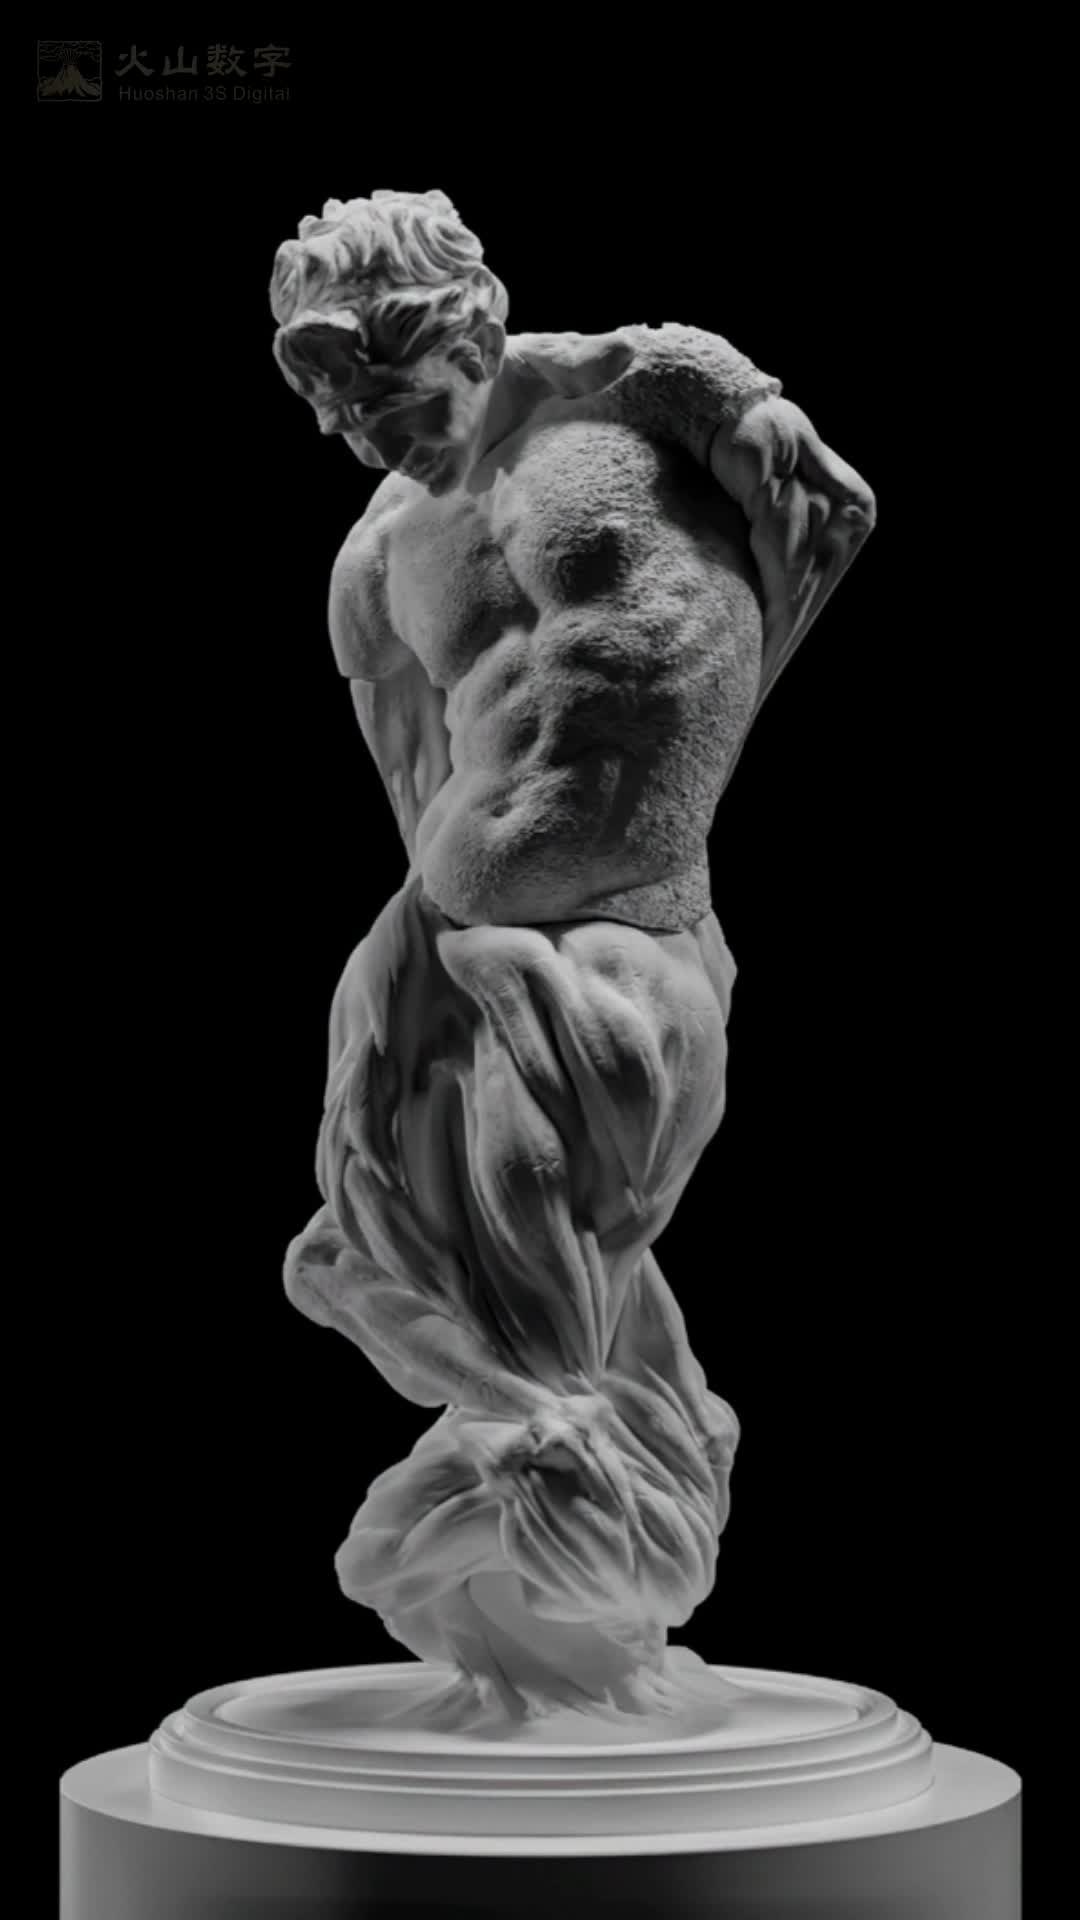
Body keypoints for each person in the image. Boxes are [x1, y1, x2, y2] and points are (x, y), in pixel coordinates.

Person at [271, 189, 875, 1726]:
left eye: (389, 396)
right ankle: (548, 1561)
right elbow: (412, 770)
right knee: (411, 1243)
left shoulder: (643, 396)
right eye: (337, 415)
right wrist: (426, 945)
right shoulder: (374, 560)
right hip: (456, 936)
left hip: (634, 933)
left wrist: (686, 779)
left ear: (469, 334)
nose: (364, 436)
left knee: (560, 1250)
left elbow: (825, 517)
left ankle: (574, 1534)